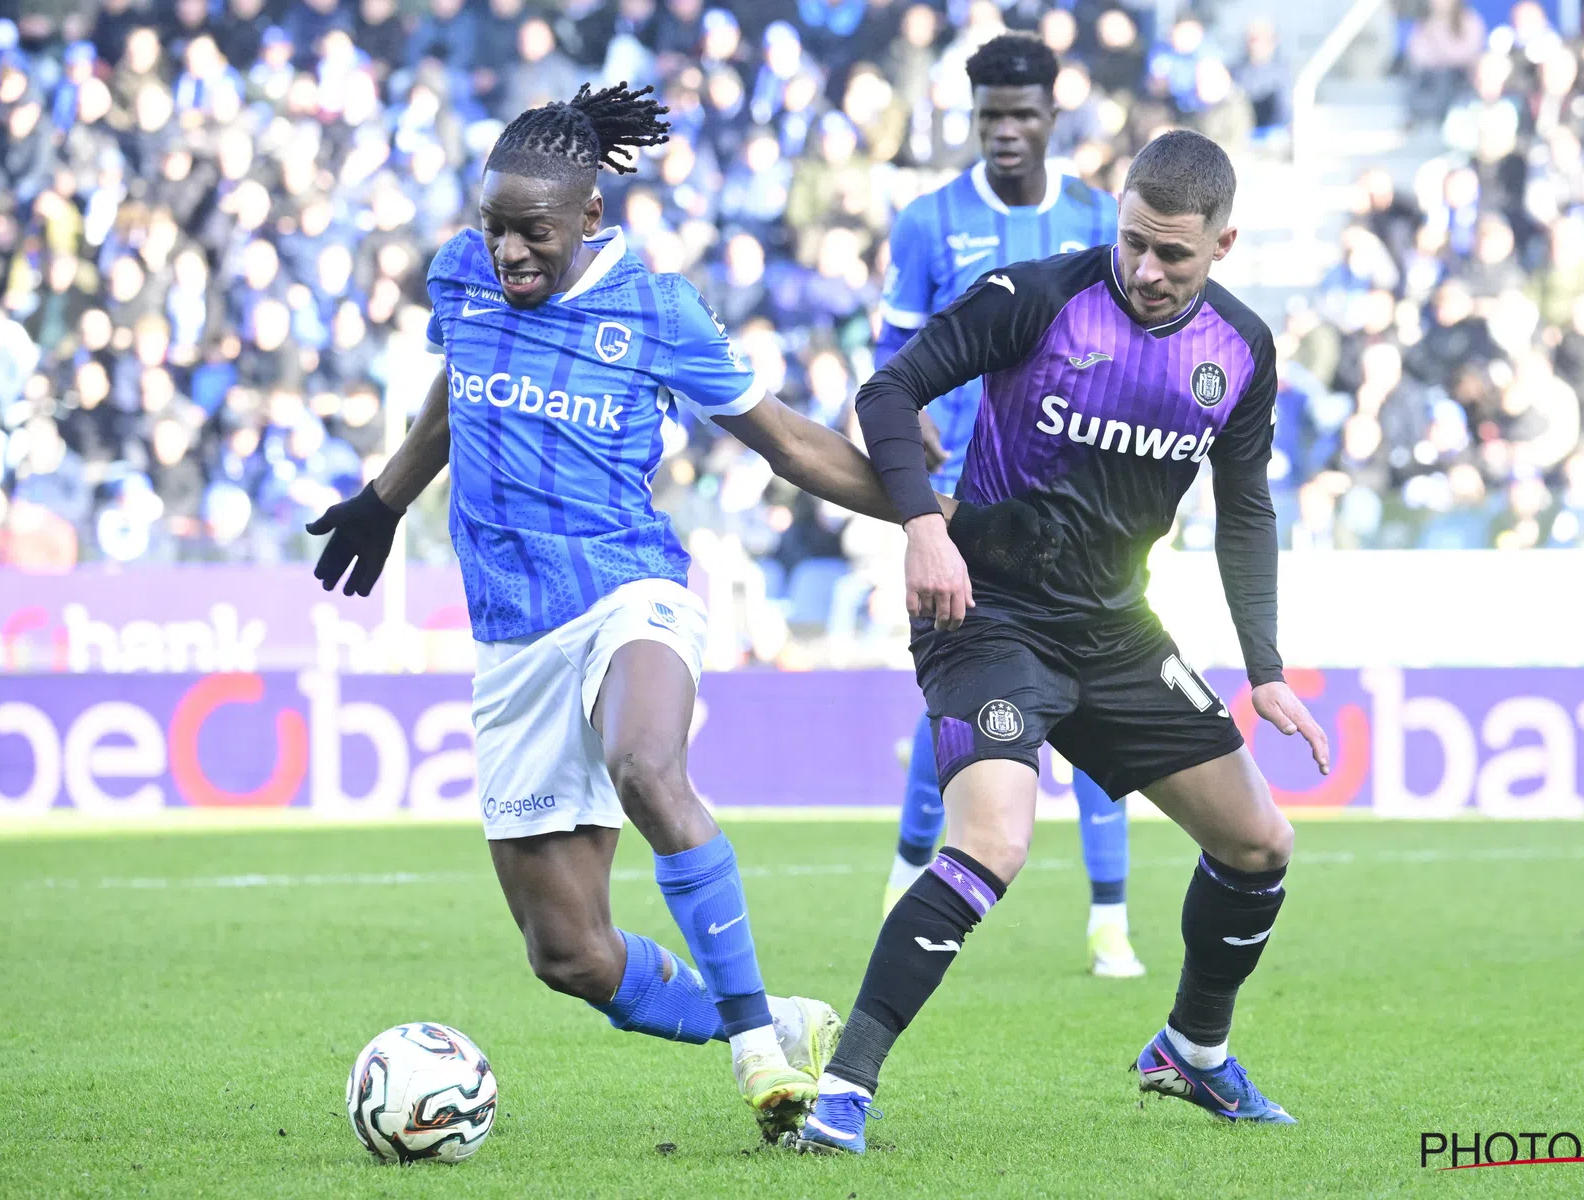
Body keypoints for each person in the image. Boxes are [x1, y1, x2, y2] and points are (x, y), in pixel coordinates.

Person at [303, 81, 1035, 1144]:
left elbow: (786, 442)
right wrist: (386, 497)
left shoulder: (657, 309)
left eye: (532, 233)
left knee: (648, 765)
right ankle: (777, 1016)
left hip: (626, 589)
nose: (507, 252)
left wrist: (943, 516)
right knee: (572, 957)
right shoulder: (459, 278)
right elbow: (454, 392)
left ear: (590, 218)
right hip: (512, 639)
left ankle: (759, 1057)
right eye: (493, 226)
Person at [793, 130, 1332, 1154]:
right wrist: (922, 530)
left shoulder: (1242, 351)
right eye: (1134, 242)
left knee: (1261, 843)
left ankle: (1194, 1053)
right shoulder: (1036, 296)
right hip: (987, 610)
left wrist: (1264, 672)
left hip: (1116, 631)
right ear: (1117, 218)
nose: (1147, 270)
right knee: (993, 840)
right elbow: (887, 393)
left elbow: (1247, 509)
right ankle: (845, 1088)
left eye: (1174, 253)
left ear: (1224, 243)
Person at [872, 32, 1145, 980]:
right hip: (966, 508)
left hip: (1081, 508)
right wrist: (911, 444)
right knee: (951, 705)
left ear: (1052, 116)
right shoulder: (925, 223)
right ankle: (909, 872)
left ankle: (1109, 919)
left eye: (1023, 115)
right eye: (990, 117)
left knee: (1103, 701)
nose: (1006, 133)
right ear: (972, 118)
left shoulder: (1104, 218)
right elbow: (891, 363)